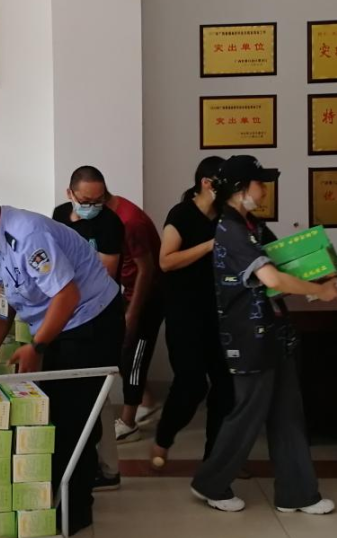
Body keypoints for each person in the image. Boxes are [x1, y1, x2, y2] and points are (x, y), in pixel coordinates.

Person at [0, 180, 123, 535]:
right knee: (58, 410)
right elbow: (5, 298)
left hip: (91, 321)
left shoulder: (29, 235)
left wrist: (37, 347)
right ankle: (59, 491)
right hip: (61, 325)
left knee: (72, 416)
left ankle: (75, 510)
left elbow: (66, 295)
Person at [190, 155, 337, 515]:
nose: (264, 190)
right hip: (248, 336)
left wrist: (323, 272)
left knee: (288, 413)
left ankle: (298, 494)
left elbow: (286, 264)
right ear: (240, 188)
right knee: (248, 412)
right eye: (260, 183)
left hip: (273, 332)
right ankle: (211, 483)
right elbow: (271, 278)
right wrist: (319, 291)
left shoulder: (252, 225)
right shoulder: (231, 229)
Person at [69, 167, 164, 443]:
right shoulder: (101, 216)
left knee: (134, 356)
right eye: (83, 201)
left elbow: (147, 270)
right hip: (125, 292)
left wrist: (133, 313)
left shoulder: (128, 221)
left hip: (149, 294)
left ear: (103, 194)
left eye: (93, 202)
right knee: (120, 351)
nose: (87, 208)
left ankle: (129, 422)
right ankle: (147, 400)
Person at [151, 156, 234, 470]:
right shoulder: (182, 214)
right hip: (184, 313)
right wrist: (210, 245)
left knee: (226, 386)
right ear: (206, 183)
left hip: (220, 313)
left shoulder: (228, 215)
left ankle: (216, 459)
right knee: (191, 384)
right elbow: (166, 261)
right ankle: (163, 438)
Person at [52, 171, 124, 491]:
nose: (93, 206)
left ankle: (108, 469)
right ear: (70, 193)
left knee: (97, 394)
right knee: (72, 395)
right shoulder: (58, 216)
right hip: (68, 318)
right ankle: (78, 464)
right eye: (86, 200)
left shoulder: (110, 224)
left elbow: (103, 274)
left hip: (99, 318)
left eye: (99, 200)